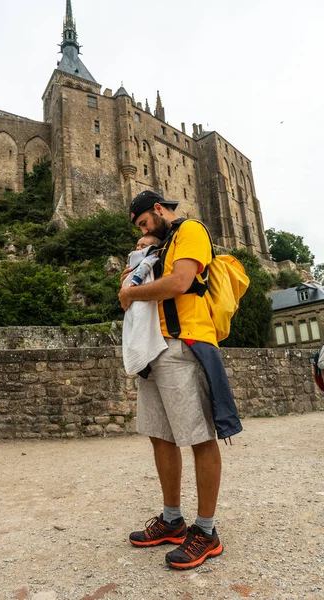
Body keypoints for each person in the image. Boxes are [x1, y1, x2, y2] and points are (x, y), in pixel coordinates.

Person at [118, 190, 242, 570]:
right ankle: (173, 520)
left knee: (199, 437)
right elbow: (131, 292)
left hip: (184, 344)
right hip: (152, 348)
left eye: (143, 223)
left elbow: (180, 282)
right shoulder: (158, 246)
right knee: (160, 435)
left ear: (157, 210)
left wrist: (131, 291)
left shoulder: (190, 230)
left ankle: (205, 531)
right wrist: (137, 267)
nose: (142, 230)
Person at [122, 234, 167, 377]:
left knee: (141, 324)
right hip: (133, 300)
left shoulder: (150, 258)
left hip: (141, 298)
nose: (139, 248)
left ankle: (143, 360)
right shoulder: (134, 261)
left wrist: (132, 285)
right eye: (138, 245)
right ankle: (140, 360)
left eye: (144, 246)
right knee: (132, 326)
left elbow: (143, 270)